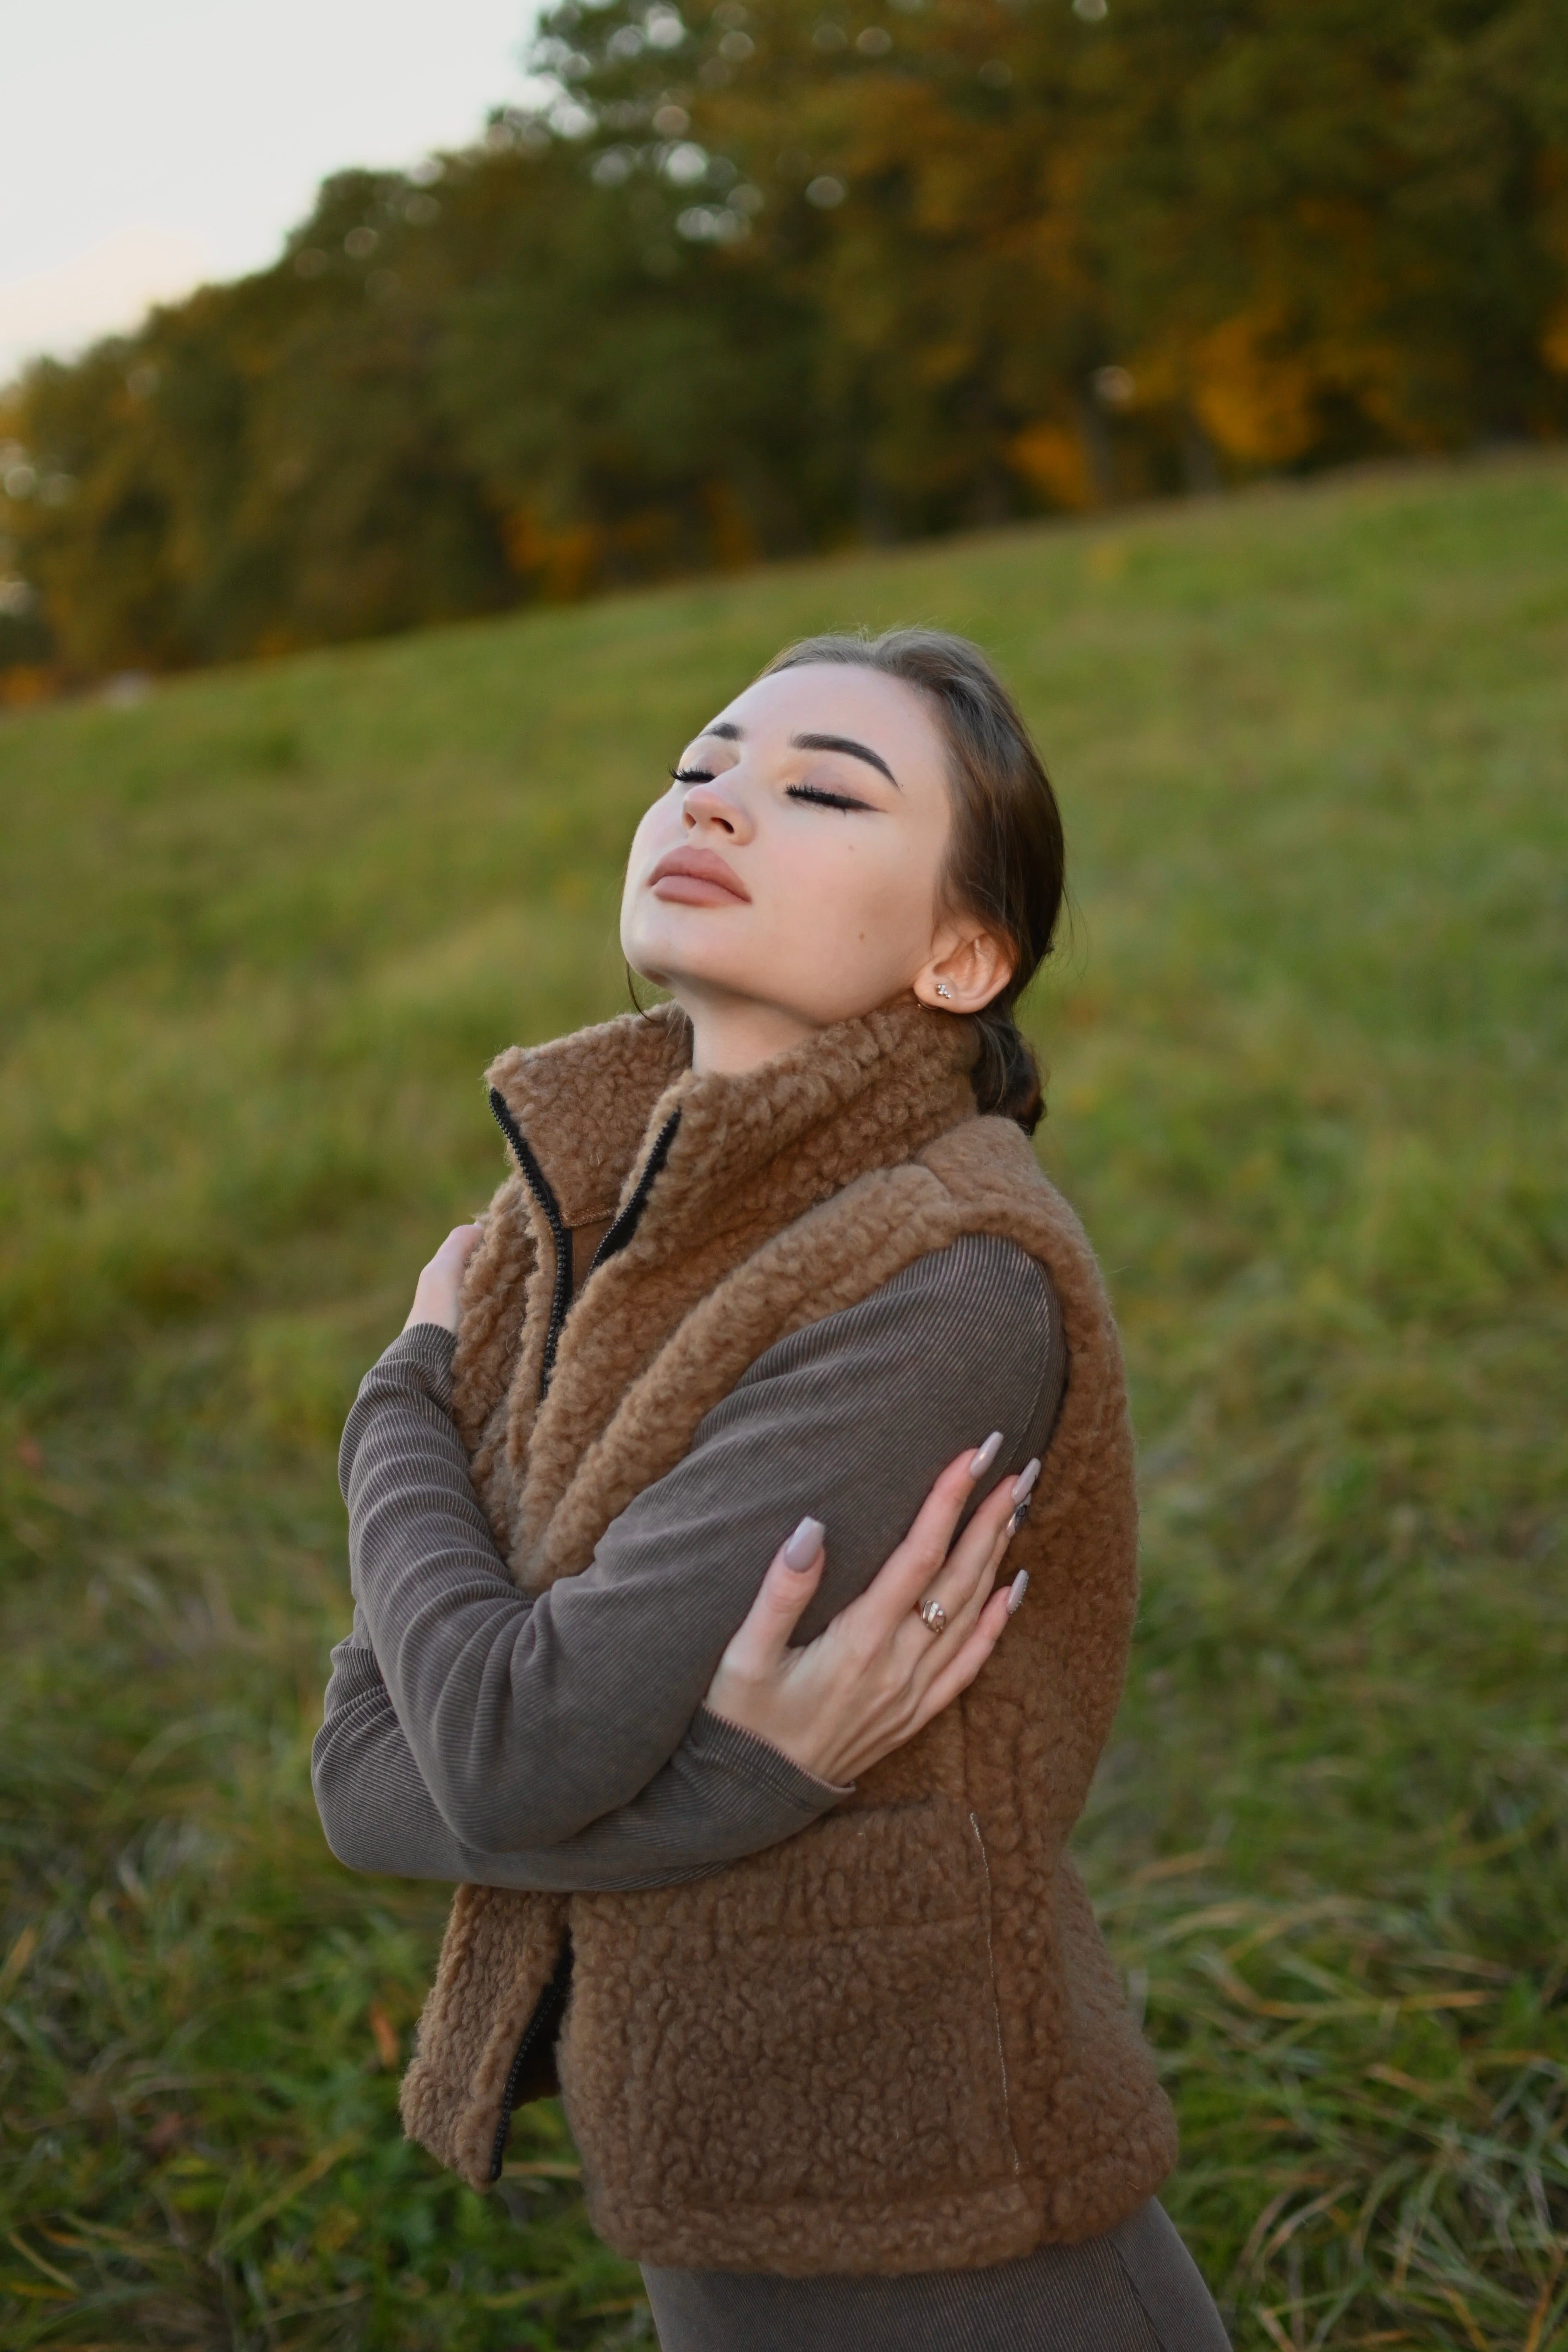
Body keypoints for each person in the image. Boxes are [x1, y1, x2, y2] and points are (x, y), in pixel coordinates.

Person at [312, 628, 1230, 2349]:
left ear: (962, 955)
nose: (720, 800)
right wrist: (727, 1786)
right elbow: (363, 1775)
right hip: (693, 2137)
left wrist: (395, 1403)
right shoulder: (562, 1225)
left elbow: (503, 1751)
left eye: (822, 789)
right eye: (700, 764)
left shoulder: (944, 1277)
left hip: (937, 2175)